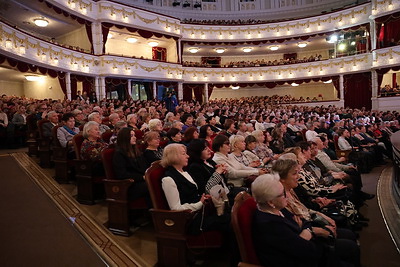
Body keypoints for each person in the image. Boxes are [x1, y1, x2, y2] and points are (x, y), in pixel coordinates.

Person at [272, 158, 361, 267]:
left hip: (312, 225)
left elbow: (305, 209)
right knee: (350, 245)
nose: (298, 176)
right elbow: (300, 224)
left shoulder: (291, 189)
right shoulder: (279, 200)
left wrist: (323, 215)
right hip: (310, 235)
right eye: (295, 174)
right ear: (282, 178)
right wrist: (321, 229)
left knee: (349, 237)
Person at [161, 143, 230, 234]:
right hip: (191, 219)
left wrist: (205, 199)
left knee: (230, 215)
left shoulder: (184, 172)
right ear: (174, 156)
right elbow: (175, 208)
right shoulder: (168, 179)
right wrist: (200, 203)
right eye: (183, 154)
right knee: (229, 221)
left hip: (201, 211)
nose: (188, 156)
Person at [252, 174, 319, 267]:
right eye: (283, 194)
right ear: (271, 202)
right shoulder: (270, 226)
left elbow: (304, 221)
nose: (287, 196)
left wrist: (302, 233)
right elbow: (308, 250)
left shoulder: (278, 208)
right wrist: (306, 230)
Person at [112, 128, 150, 204]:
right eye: (131, 135)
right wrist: (142, 177)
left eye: (134, 135)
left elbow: (144, 166)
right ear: (125, 138)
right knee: (151, 186)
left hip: (141, 181)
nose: (135, 137)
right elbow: (122, 174)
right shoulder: (119, 154)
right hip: (129, 185)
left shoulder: (136, 150)